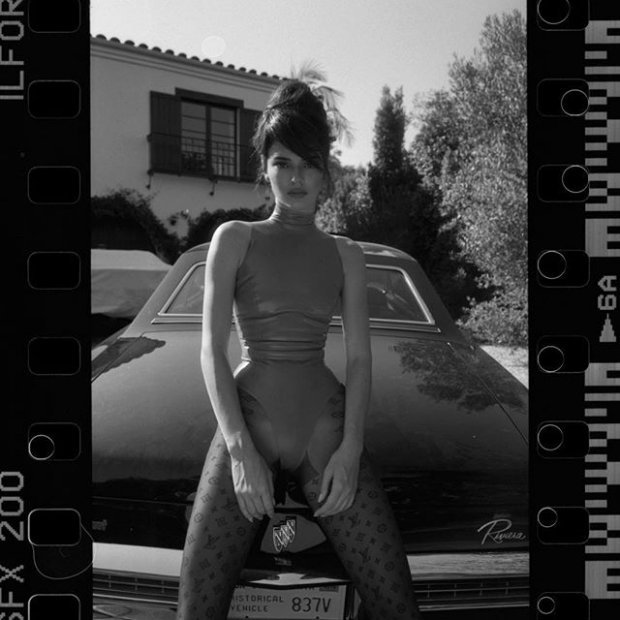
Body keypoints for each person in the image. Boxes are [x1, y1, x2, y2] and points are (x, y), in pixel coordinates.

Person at [176, 77, 422, 620]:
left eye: (308, 164)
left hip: (325, 425)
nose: (294, 178)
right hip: (249, 416)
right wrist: (239, 451)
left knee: (398, 607)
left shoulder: (346, 253)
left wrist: (351, 448)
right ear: (264, 169)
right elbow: (211, 349)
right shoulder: (233, 238)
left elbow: (359, 358)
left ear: (326, 171)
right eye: (282, 163)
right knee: (195, 612)